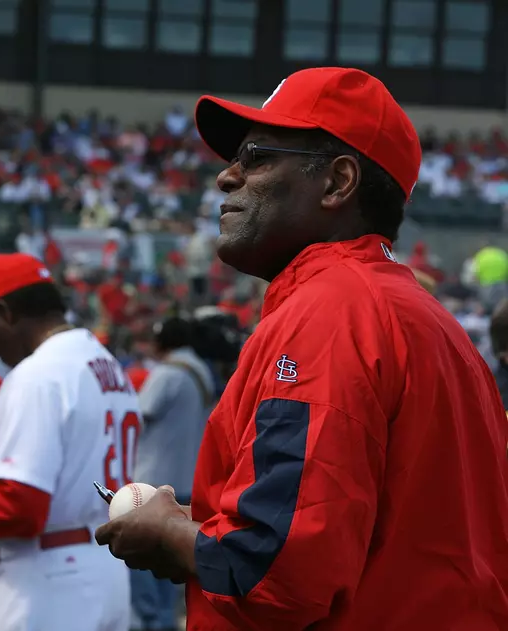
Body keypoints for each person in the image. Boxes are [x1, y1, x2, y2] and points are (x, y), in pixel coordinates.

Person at [96, 67, 508, 630]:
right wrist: (203, 523)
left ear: (338, 182)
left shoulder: (333, 312)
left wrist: (168, 534)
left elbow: (275, 573)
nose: (227, 176)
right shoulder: (433, 322)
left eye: (258, 155)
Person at [0, 253, 134, 631]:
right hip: (102, 570)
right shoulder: (106, 365)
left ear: (6, 313)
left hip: (48, 582)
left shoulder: (39, 374)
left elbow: (18, 508)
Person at [130, 315, 213, 631]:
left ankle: (153, 622)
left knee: (145, 565)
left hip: (154, 479)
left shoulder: (166, 373)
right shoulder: (200, 369)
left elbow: (138, 415)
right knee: (171, 569)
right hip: (187, 478)